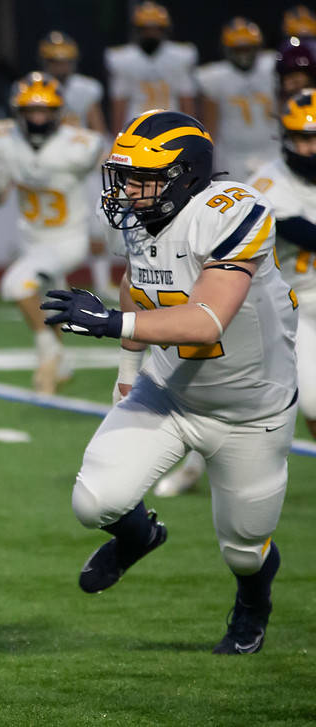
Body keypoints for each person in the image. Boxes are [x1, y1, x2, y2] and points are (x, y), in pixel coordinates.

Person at [42, 110, 296, 654]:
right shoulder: (140, 215)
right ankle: (139, 535)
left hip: (250, 410)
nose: (129, 191)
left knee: (243, 550)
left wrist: (110, 324)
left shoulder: (232, 211)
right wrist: (129, 371)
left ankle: (252, 602)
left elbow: (207, 320)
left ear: (185, 175)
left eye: (143, 178)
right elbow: (140, 280)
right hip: (170, 392)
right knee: (95, 502)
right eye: (125, 176)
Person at [0, 73, 105, 393]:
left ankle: (47, 354)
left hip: (67, 238)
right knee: (52, 305)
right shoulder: (3, 139)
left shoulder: (78, 144)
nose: (37, 118)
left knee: (15, 285)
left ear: (58, 112)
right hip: (31, 238)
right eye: (30, 111)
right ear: (18, 112)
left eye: (44, 111)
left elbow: (110, 171)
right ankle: (61, 363)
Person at [248, 90, 316, 441]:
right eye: (305, 138)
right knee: (314, 404)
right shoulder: (268, 185)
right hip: (296, 304)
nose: (312, 148)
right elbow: (308, 236)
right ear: (287, 137)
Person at [38, 31, 116, 299]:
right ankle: (56, 282)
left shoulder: (85, 88)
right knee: (56, 229)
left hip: (83, 166)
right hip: (55, 168)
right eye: (55, 61)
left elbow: (97, 126)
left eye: (65, 61)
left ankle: (102, 282)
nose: (61, 66)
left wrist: (102, 156)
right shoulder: (37, 88)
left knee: (97, 225)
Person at [196, 18, 274, 180]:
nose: (244, 55)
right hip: (232, 156)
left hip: (272, 150)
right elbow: (210, 123)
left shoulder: (272, 68)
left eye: (248, 49)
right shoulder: (215, 77)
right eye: (239, 50)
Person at [105, 2, 197, 130]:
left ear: (165, 30)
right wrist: (117, 135)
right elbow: (119, 102)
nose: (151, 33)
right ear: (137, 30)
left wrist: (191, 131)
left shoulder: (181, 56)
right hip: (136, 125)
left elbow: (186, 98)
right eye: (146, 29)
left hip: (173, 123)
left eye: (156, 29)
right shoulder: (122, 58)